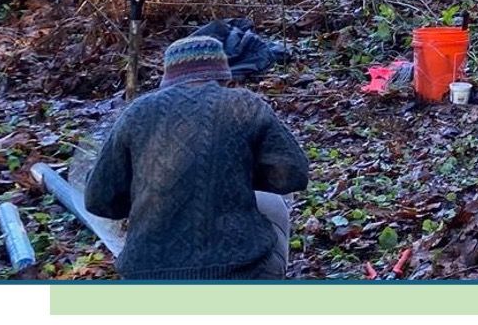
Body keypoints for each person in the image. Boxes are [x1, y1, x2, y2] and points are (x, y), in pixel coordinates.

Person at [83, 35, 310, 280]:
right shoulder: (244, 104)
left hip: (146, 274)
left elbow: (98, 199)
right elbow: (293, 174)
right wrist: (233, 173)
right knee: (273, 207)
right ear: (224, 74)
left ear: (168, 77)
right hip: (239, 270)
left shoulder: (136, 112)